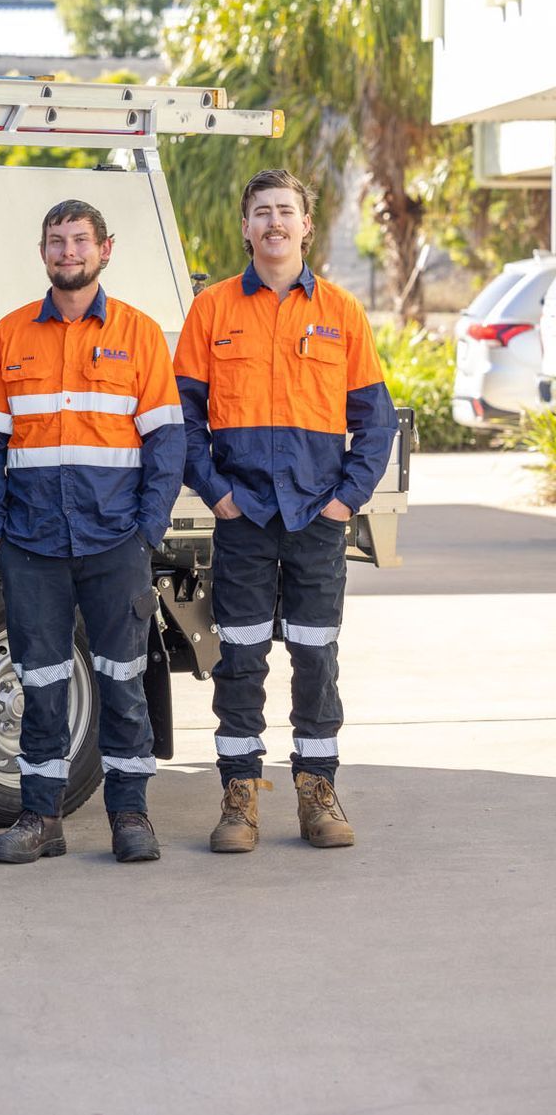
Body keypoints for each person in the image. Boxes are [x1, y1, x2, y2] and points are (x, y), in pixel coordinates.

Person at [174, 169, 395, 852]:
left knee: (316, 658)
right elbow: (181, 419)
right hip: (244, 522)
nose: (273, 223)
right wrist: (218, 494)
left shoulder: (341, 313)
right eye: (261, 212)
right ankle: (239, 797)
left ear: (305, 223)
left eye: (285, 212)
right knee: (238, 660)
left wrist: (344, 501)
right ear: (245, 227)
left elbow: (377, 422)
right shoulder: (211, 311)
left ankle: (316, 793)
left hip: (314, 523)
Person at [0, 200, 184, 865]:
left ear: (105, 249)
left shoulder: (140, 334)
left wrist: (147, 528)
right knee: (41, 681)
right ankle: (41, 817)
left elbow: (167, 441)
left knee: (122, 678)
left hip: (115, 539)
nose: (68, 252)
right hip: (31, 543)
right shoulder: (10, 335)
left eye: (79, 241)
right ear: (43, 253)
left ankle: (130, 815)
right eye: (56, 241)